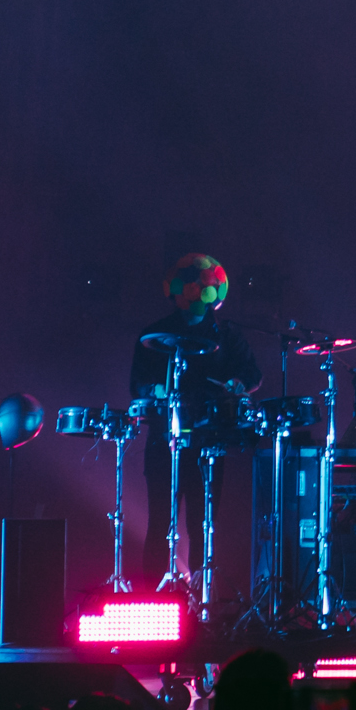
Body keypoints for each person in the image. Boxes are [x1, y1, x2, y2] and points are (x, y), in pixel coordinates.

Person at [130, 253, 261, 591]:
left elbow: (252, 372)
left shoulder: (227, 334)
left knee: (203, 524)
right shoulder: (154, 335)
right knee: (160, 521)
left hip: (208, 441)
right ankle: (152, 598)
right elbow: (137, 385)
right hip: (165, 441)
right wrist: (157, 390)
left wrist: (238, 385)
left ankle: (202, 600)